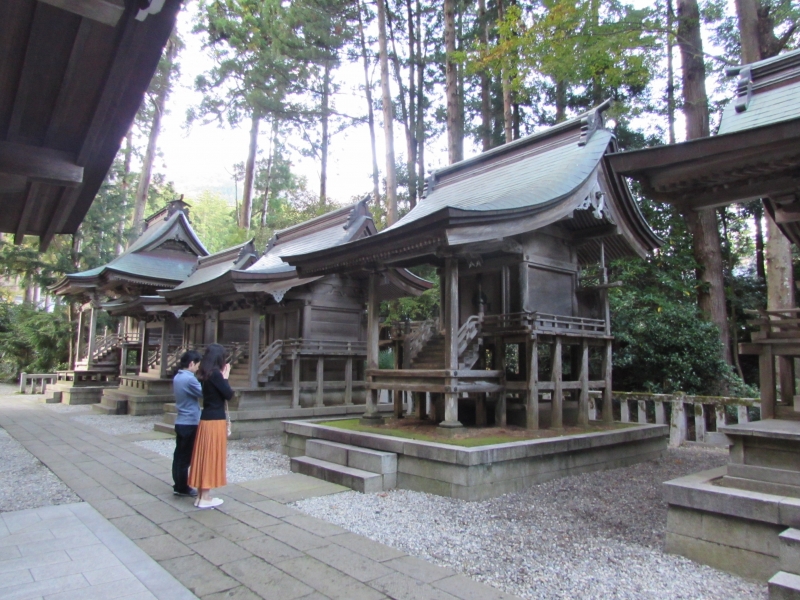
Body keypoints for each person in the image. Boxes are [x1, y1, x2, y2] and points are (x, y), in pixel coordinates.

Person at [189, 343, 232, 509]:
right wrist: (226, 377)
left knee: (203, 455)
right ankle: (205, 497)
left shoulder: (205, 374)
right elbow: (228, 394)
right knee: (211, 456)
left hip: (206, 418)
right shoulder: (216, 375)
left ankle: (201, 495)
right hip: (215, 420)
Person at [171, 350, 202, 497]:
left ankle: (178, 483)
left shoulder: (178, 377)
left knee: (179, 455)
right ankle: (182, 486)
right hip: (190, 421)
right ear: (191, 364)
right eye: (197, 365)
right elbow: (203, 393)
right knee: (185, 457)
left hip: (181, 420)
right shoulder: (190, 379)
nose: (197, 368)